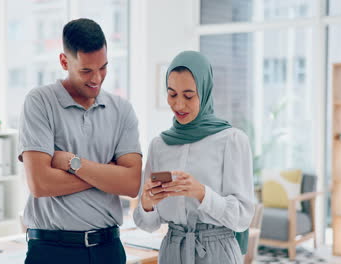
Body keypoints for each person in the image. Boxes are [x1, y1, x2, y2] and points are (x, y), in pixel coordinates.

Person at [18, 18, 142, 264]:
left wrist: (74, 163)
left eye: (103, 67)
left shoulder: (122, 110)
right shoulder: (40, 102)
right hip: (51, 249)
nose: (96, 78)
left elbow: (131, 184)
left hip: (108, 249)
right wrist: (109, 174)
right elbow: (40, 183)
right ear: (64, 61)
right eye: (86, 70)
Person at [133, 51, 254, 264]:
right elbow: (148, 224)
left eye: (189, 96)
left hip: (217, 253)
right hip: (172, 250)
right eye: (172, 94)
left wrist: (202, 193)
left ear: (205, 91)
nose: (179, 105)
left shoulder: (232, 140)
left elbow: (243, 217)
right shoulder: (159, 145)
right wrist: (147, 203)